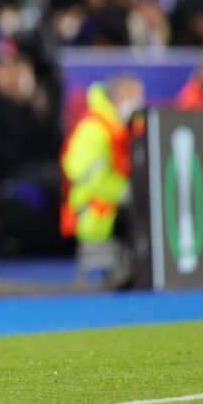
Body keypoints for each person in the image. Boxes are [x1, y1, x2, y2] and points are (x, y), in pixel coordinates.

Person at [60, 75, 145, 287]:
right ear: (116, 97)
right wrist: (125, 192)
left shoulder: (123, 127)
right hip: (95, 212)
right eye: (132, 96)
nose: (138, 102)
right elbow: (84, 174)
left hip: (114, 207)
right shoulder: (93, 129)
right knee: (140, 216)